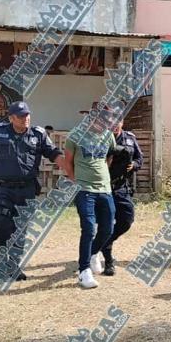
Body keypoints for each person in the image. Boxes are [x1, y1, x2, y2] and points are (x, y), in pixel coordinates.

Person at [0, 101, 63, 282]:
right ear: (11, 118)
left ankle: (14, 266)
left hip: (26, 189)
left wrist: (71, 170)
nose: (25, 119)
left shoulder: (38, 134)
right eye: (20, 116)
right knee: (2, 226)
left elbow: (54, 154)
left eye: (27, 115)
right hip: (2, 188)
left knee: (21, 229)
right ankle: (1, 266)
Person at [64, 117, 117, 289]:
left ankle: (93, 252)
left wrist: (102, 175)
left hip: (105, 189)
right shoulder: (75, 136)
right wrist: (76, 181)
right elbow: (68, 162)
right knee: (88, 227)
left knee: (108, 228)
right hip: (84, 189)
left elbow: (109, 156)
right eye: (103, 122)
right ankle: (84, 270)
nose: (106, 126)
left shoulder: (109, 136)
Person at [100, 120, 143, 276]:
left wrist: (134, 165)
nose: (114, 125)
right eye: (111, 122)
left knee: (127, 220)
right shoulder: (101, 139)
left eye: (118, 121)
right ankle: (108, 261)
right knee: (106, 222)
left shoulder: (130, 138)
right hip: (104, 187)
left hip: (122, 187)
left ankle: (105, 242)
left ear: (122, 122)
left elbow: (139, 158)